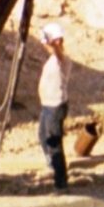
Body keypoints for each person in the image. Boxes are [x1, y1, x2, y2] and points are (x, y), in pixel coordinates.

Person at [37, 22, 71, 190]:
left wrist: (51, 41)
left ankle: (61, 183)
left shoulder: (61, 59)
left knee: (53, 143)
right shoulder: (53, 60)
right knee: (43, 136)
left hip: (55, 107)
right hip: (47, 106)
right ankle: (52, 165)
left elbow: (58, 52)